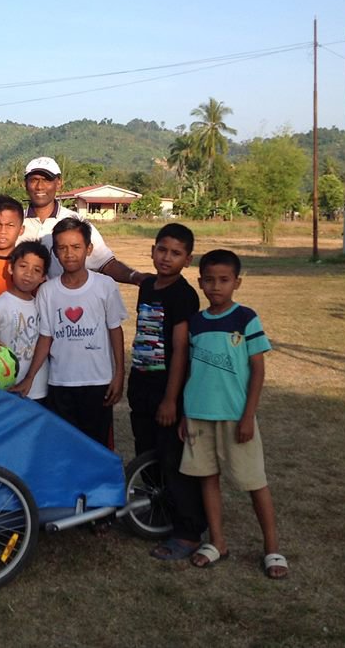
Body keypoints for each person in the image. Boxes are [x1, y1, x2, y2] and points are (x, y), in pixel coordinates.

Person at [178, 249, 288, 579]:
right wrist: (186, 413)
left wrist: (248, 415)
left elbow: (258, 370)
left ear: (237, 282)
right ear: (199, 283)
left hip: (235, 416)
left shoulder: (246, 319)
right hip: (199, 416)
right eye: (209, 280)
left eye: (224, 280)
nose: (216, 286)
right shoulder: (196, 323)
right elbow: (189, 371)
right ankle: (218, 542)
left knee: (254, 482)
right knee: (207, 479)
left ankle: (272, 548)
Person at [126, 223, 207, 561]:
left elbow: (180, 349)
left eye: (176, 254)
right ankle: (158, 511)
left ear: (187, 260)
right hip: (141, 384)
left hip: (166, 390)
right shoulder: (148, 286)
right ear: (153, 250)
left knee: (172, 459)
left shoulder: (183, 296)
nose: (166, 258)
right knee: (149, 453)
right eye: (162, 250)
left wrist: (172, 399)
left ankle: (188, 531)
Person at [15, 218, 127, 448]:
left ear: (89, 249)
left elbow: (115, 331)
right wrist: (30, 378)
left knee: (97, 448)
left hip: (98, 383)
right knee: (65, 447)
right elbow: (46, 338)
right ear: (54, 252)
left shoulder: (105, 285)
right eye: (62, 248)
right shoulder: (47, 291)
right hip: (61, 383)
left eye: (76, 247)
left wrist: (119, 374)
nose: (69, 254)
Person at [0, 157, 147, 284]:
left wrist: (137, 277)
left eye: (46, 180)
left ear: (58, 183)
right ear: (25, 184)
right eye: (33, 180)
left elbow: (106, 263)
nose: (39, 186)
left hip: (60, 313)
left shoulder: (75, 222)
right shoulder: (11, 223)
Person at [0, 240, 51, 403]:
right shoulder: (1, 305)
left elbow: (45, 341)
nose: (28, 274)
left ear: (43, 278)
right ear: (11, 268)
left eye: (36, 270)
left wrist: (31, 378)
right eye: (23, 266)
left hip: (38, 387)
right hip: (9, 389)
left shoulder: (40, 304)